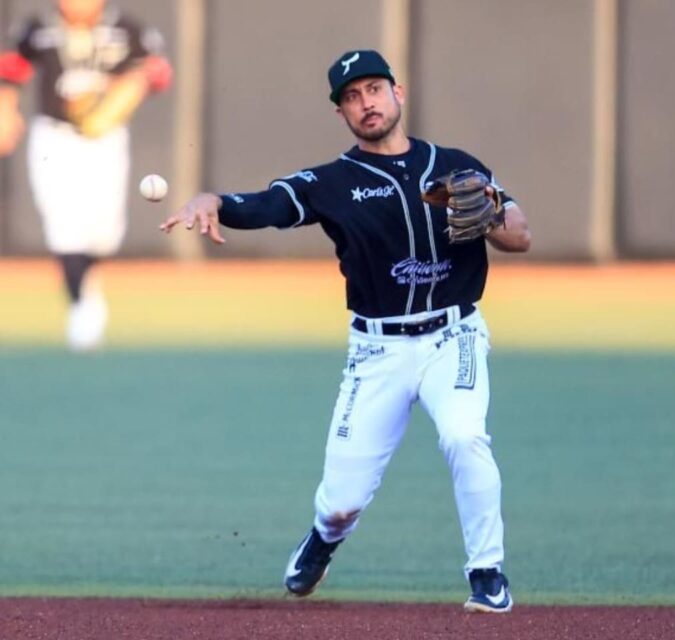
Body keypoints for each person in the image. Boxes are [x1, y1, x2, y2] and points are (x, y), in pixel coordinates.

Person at [160, 49, 531, 613]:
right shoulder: (332, 182)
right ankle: (323, 539)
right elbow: (268, 205)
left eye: (374, 90)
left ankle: (488, 574)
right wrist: (213, 200)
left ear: (397, 93)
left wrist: (489, 217)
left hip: (453, 337)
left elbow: (520, 236)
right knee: (340, 504)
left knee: (464, 436)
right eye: (352, 98)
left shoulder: (455, 165)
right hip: (377, 349)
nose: (367, 103)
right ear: (342, 114)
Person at [0, 0, 172, 351]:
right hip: (54, 138)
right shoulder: (39, 27)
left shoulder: (126, 28)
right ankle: (81, 306)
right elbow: (10, 69)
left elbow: (160, 72)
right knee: (63, 226)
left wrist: (129, 82)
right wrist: (5, 108)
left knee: (104, 234)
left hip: (104, 139)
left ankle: (85, 280)